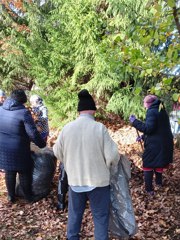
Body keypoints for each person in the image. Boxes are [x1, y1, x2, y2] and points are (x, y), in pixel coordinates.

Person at [53, 89, 120, 240]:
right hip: (98, 183)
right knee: (100, 218)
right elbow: (113, 156)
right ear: (92, 110)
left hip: (75, 182)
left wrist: (69, 162)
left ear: (79, 111)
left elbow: (57, 151)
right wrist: (108, 166)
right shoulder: (99, 128)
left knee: (74, 216)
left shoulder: (67, 128)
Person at [0, 89, 46, 203]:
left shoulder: (1, 109)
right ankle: (29, 197)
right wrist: (41, 144)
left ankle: (11, 196)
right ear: (21, 101)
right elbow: (32, 132)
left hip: (4, 148)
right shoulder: (23, 112)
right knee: (25, 171)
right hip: (19, 148)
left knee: (9, 171)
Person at [129, 94, 174, 195]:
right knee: (158, 163)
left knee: (148, 164)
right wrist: (143, 137)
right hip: (163, 143)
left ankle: (149, 190)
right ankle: (158, 183)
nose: (144, 105)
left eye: (144, 103)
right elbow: (157, 129)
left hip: (156, 145)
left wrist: (135, 122)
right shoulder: (161, 110)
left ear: (149, 103)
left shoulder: (151, 111)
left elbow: (149, 129)